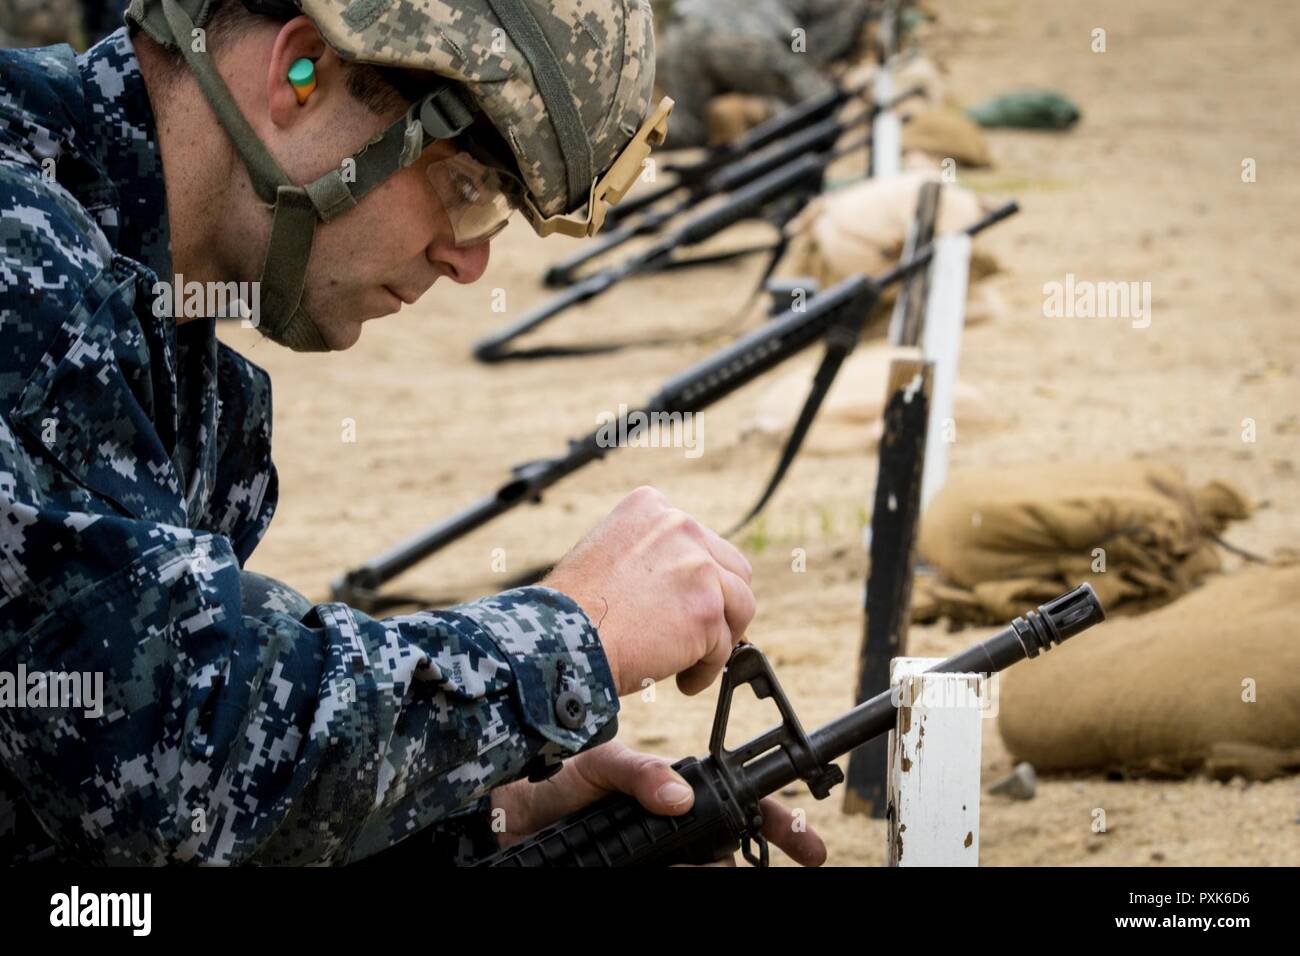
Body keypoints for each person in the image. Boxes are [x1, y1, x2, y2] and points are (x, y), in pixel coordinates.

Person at [0, 0, 825, 867]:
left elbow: (114, 757)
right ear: (302, 74)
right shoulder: (28, 260)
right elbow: (166, 764)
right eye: (464, 185)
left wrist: (479, 808)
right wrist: (569, 637)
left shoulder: (147, 306)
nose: (469, 262)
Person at [656, 0, 876, 148]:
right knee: (824, 107)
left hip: (683, 26)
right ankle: (755, 115)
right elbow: (814, 48)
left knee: (687, 125)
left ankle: (625, 127)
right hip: (743, 36)